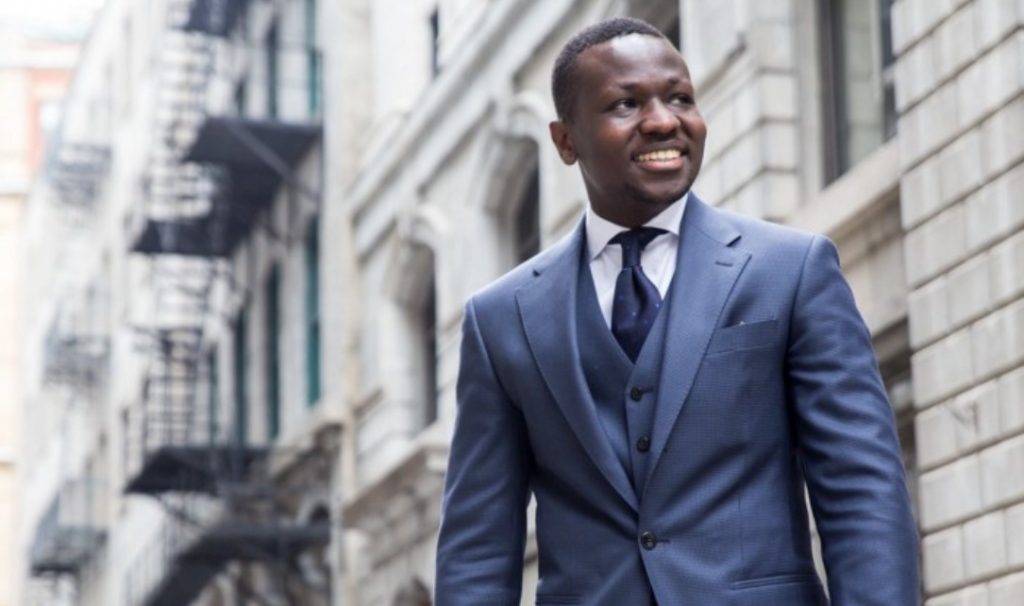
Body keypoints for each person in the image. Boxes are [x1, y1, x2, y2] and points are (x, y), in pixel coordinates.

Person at [435, 17, 918, 606]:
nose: (664, 120)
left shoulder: (790, 271)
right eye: (625, 103)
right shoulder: (500, 319)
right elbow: (478, 548)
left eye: (680, 97)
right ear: (566, 142)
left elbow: (861, 489)